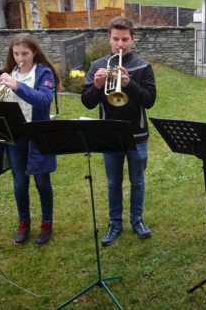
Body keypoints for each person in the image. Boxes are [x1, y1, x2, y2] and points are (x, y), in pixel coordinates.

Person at [81, 16, 156, 246]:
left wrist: (128, 84)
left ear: (132, 39)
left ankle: (137, 219)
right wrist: (95, 85)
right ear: (109, 39)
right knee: (113, 182)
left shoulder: (143, 66)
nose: (120, 44)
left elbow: (149, 100)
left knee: (137, 181)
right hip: (109, 134)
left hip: (137, 135)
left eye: (124, 39)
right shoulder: (98, 66)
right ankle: (115, 223)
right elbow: (87, 102)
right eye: (116, 39)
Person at [0, 33, 61, 245]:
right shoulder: (8, 72)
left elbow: (44, 99)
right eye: (16, 53)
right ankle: (24, 222)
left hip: (37, 134)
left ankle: (46, 222)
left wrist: (17, 86)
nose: (20, 58)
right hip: (15, 135)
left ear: (34, 53)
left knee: (42, 181)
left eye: (24, 53)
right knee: (20, 183)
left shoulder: (43, 73)